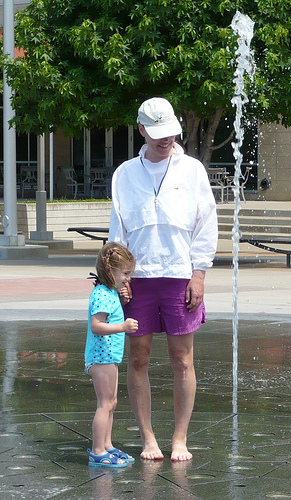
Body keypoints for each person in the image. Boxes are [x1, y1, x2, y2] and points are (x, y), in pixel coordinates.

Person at [108, 97, 218, 461]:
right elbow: (117, 230)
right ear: (141, 130)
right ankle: (148, 439)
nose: (164, 139)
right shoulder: (124, 173)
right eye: (156, 133)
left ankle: (180, 439)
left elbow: (206, 224)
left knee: (182, 359)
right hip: (138, 279)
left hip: (179, 276)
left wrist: (198, 274)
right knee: (138, 358)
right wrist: (117, 277)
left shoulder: (192, 170)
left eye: (170, 132)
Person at [85, 242, 139, 467]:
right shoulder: (101, 294)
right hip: (101, 357)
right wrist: (123, 327)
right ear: (110, 271)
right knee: (104, 403)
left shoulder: (109, 292)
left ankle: (107, 445)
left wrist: (123, 301)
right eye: (125, 273)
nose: (128, 279)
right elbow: (96, 326)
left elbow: (112, 315)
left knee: (112, 402)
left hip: (109, 356)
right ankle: (97, 450)